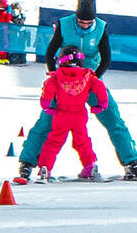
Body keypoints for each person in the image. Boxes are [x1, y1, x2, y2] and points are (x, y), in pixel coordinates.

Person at [16, 0, 137, 181]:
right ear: (76, 17)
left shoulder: (101, 27)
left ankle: (131, 163)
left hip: (90, 79)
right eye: (81, 22)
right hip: (65, 81)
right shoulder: (64, 25)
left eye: (88, 23)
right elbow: (51, 51)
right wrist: (55, 76)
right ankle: (27, 163)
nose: (85, 26)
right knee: (46, 121)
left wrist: (93, 80)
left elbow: (106, 58)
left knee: (113, 119)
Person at [35, 46, 108, 181]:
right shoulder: (88, 76)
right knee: (83, 142)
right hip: (79, 114)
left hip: (61, 114)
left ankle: (45, 167)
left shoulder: (56, 77)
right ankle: (89, 166)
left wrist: (46, 106)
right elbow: (100, 87)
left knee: (54, 142)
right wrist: (101, 104)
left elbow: (47, 91)